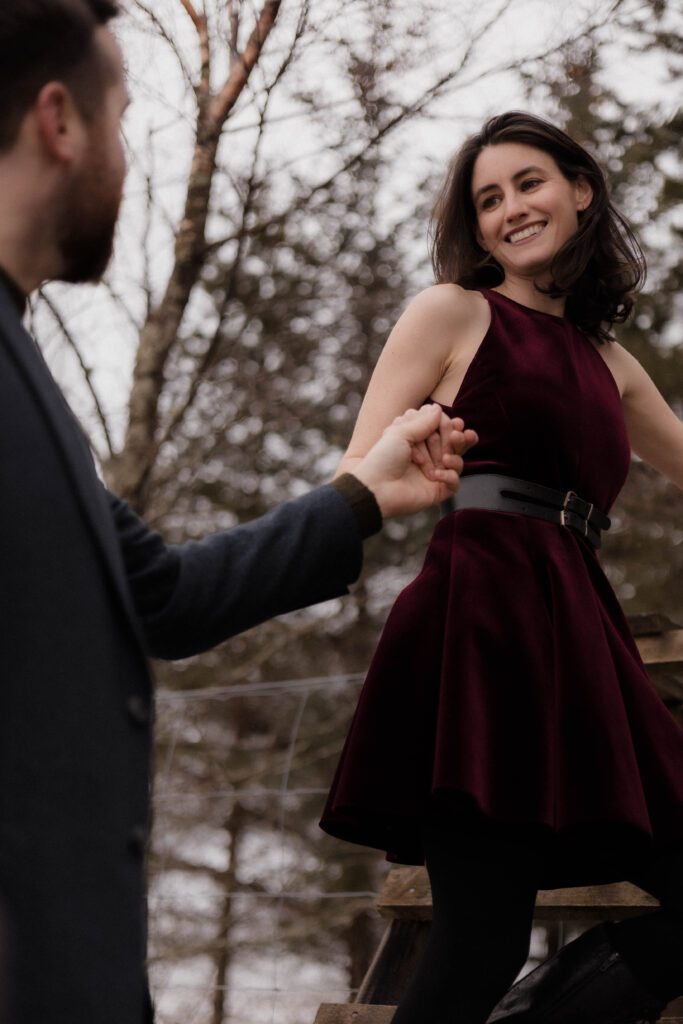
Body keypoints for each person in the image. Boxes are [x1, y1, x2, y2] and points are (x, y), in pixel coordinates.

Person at [0, 3, 478, 1023]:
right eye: (121, 118)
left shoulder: (27, 377)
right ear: (59, 121)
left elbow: (161, 595)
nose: (126, 160)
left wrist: (362, 496)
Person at [320, 111, 683, 1023]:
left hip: (580, 632)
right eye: (488, 199)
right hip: (477, 625)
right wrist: (400, 463)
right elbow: (353, 474)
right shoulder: (452, 311)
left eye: (528, 183)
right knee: (481, 942)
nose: (510, 209)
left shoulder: (611, 363)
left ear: (580, 190)